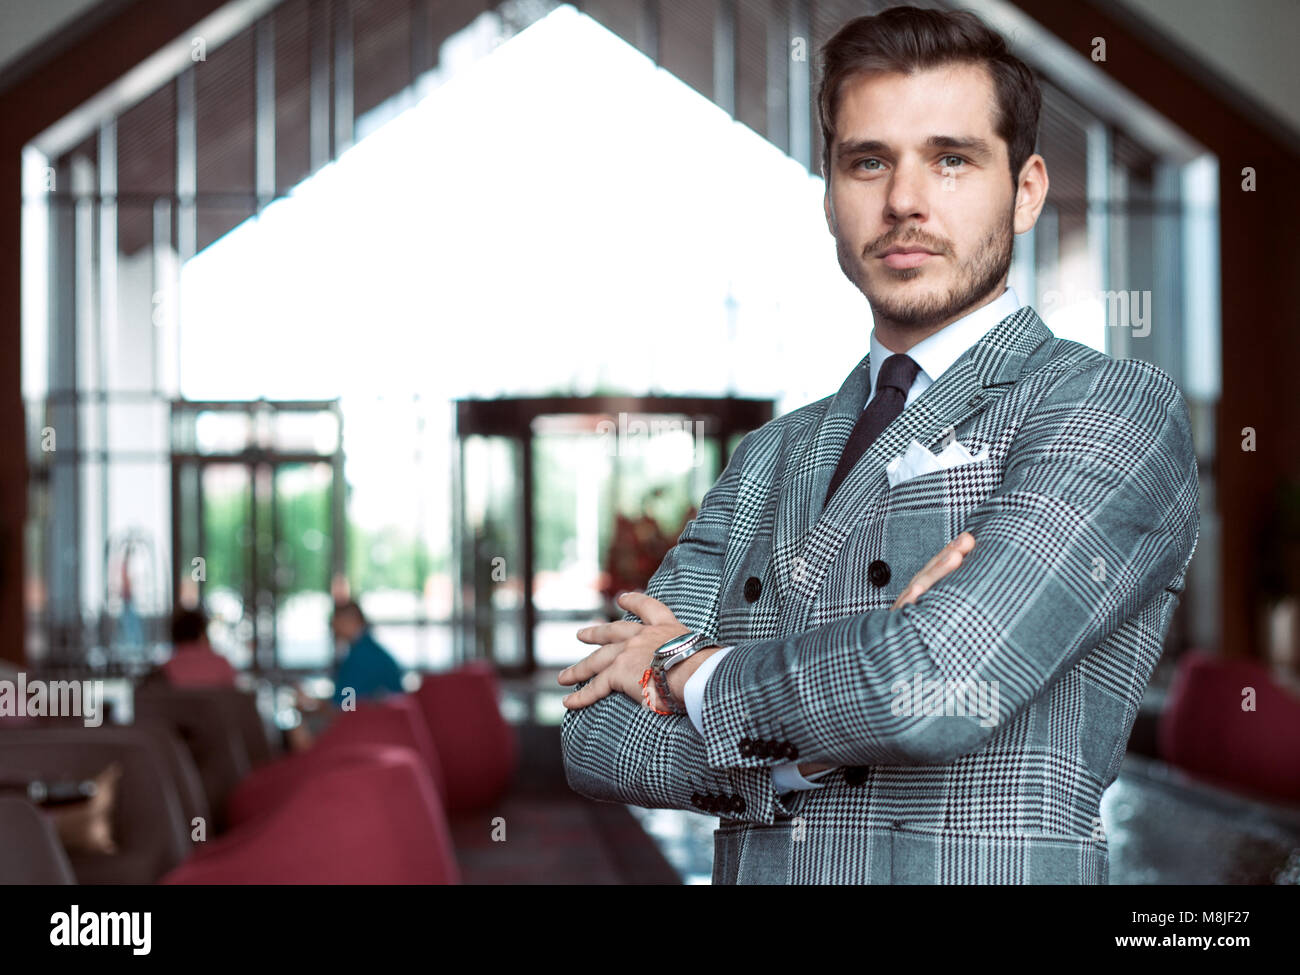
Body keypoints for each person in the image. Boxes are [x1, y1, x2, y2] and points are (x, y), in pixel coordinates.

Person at [559, 5, 1199, 885]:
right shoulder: (770, 456)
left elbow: (932, 683)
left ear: (1026, 190)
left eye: (952, 159)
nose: (904, 200)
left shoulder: (1108, 407)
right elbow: (596, 738)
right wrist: (821, 733)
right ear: (829, 194)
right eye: (869, 162)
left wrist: (692, 673)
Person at [326, 599, 405, 709]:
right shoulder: (370, 650)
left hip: (373, 722)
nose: (333, 629)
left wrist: (314, 705)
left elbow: (345, 706)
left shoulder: (360, 658)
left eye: (335, 622)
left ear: (349, 620)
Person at [144, 606, 238, 689]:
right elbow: (236, 701)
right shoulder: (222, 665)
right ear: (202, 635)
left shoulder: (165, 670)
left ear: (175, 636)